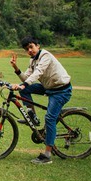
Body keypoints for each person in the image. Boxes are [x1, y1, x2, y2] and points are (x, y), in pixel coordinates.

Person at [10, 36, 72, 165]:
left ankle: (47, 155)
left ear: (38, 45)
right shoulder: (33, 61)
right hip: (48, 87)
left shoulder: (45, 56)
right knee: (24, 90)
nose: (30, 51)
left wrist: (24, 84)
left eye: (31, 47)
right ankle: (32, 117)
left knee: (50, 118)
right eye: (27, 49)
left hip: (61, 90)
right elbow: (26, 77)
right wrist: (16, 68)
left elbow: (38, 73)